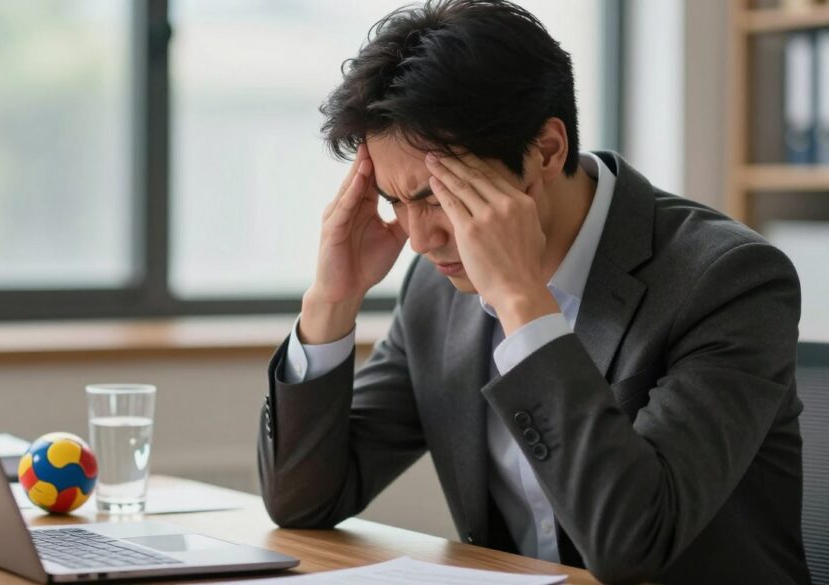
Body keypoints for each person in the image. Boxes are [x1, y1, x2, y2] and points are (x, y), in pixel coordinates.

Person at [256, 1, 810, 584]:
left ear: (545, 150)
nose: (419, 239)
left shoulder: (729, 280)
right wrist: (331, 303)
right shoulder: (437, 288)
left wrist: (525, 306)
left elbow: (633, 543)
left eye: (438, 196)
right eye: (397, 201)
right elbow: (303, 502)